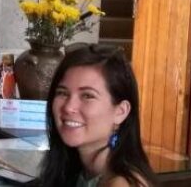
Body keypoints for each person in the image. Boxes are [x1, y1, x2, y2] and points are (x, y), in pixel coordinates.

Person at [40, 44, 155, 186]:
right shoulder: (78, 170)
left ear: (121, 112)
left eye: (87, 96)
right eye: (62, 93)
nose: (69, 107)